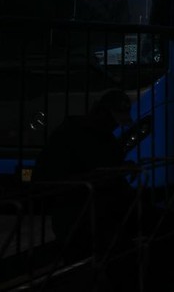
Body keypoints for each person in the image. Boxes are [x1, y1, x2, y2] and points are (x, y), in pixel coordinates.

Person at [34, 89, 137, 258]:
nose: (115, 126)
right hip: (77, 212)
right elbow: (52, 179)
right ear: (101, 113)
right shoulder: (71, 136)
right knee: (120, 248)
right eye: (113, 121)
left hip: (100, 209)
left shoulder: (104, 137)